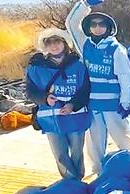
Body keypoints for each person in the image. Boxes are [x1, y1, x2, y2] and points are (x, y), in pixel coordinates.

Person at [65, 0, 130, 174]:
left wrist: (126, 102)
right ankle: (99, 174)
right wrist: (85, 5)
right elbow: (71, 24)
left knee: (125, 140)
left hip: (114, 106)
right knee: (94, 145)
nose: (97, 27)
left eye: (101, 24)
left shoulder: (116, 49)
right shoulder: (85, 45)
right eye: (94, 24)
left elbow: (125, 78)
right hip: (93, 105)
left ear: (108, 27)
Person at [26, 28, 92, 180]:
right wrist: (45, 98)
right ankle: (69, 183)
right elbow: (30, 91)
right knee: (60, 154)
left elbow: (85, 90)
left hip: (75, 117)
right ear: (45, 46)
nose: (53, 45)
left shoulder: (78, 65)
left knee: (77, 152)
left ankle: (79, 182)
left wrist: (72, 105)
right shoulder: (36, 67)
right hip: (51, 120)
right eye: (49, 43)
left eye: (57, 41)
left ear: (64, 43)